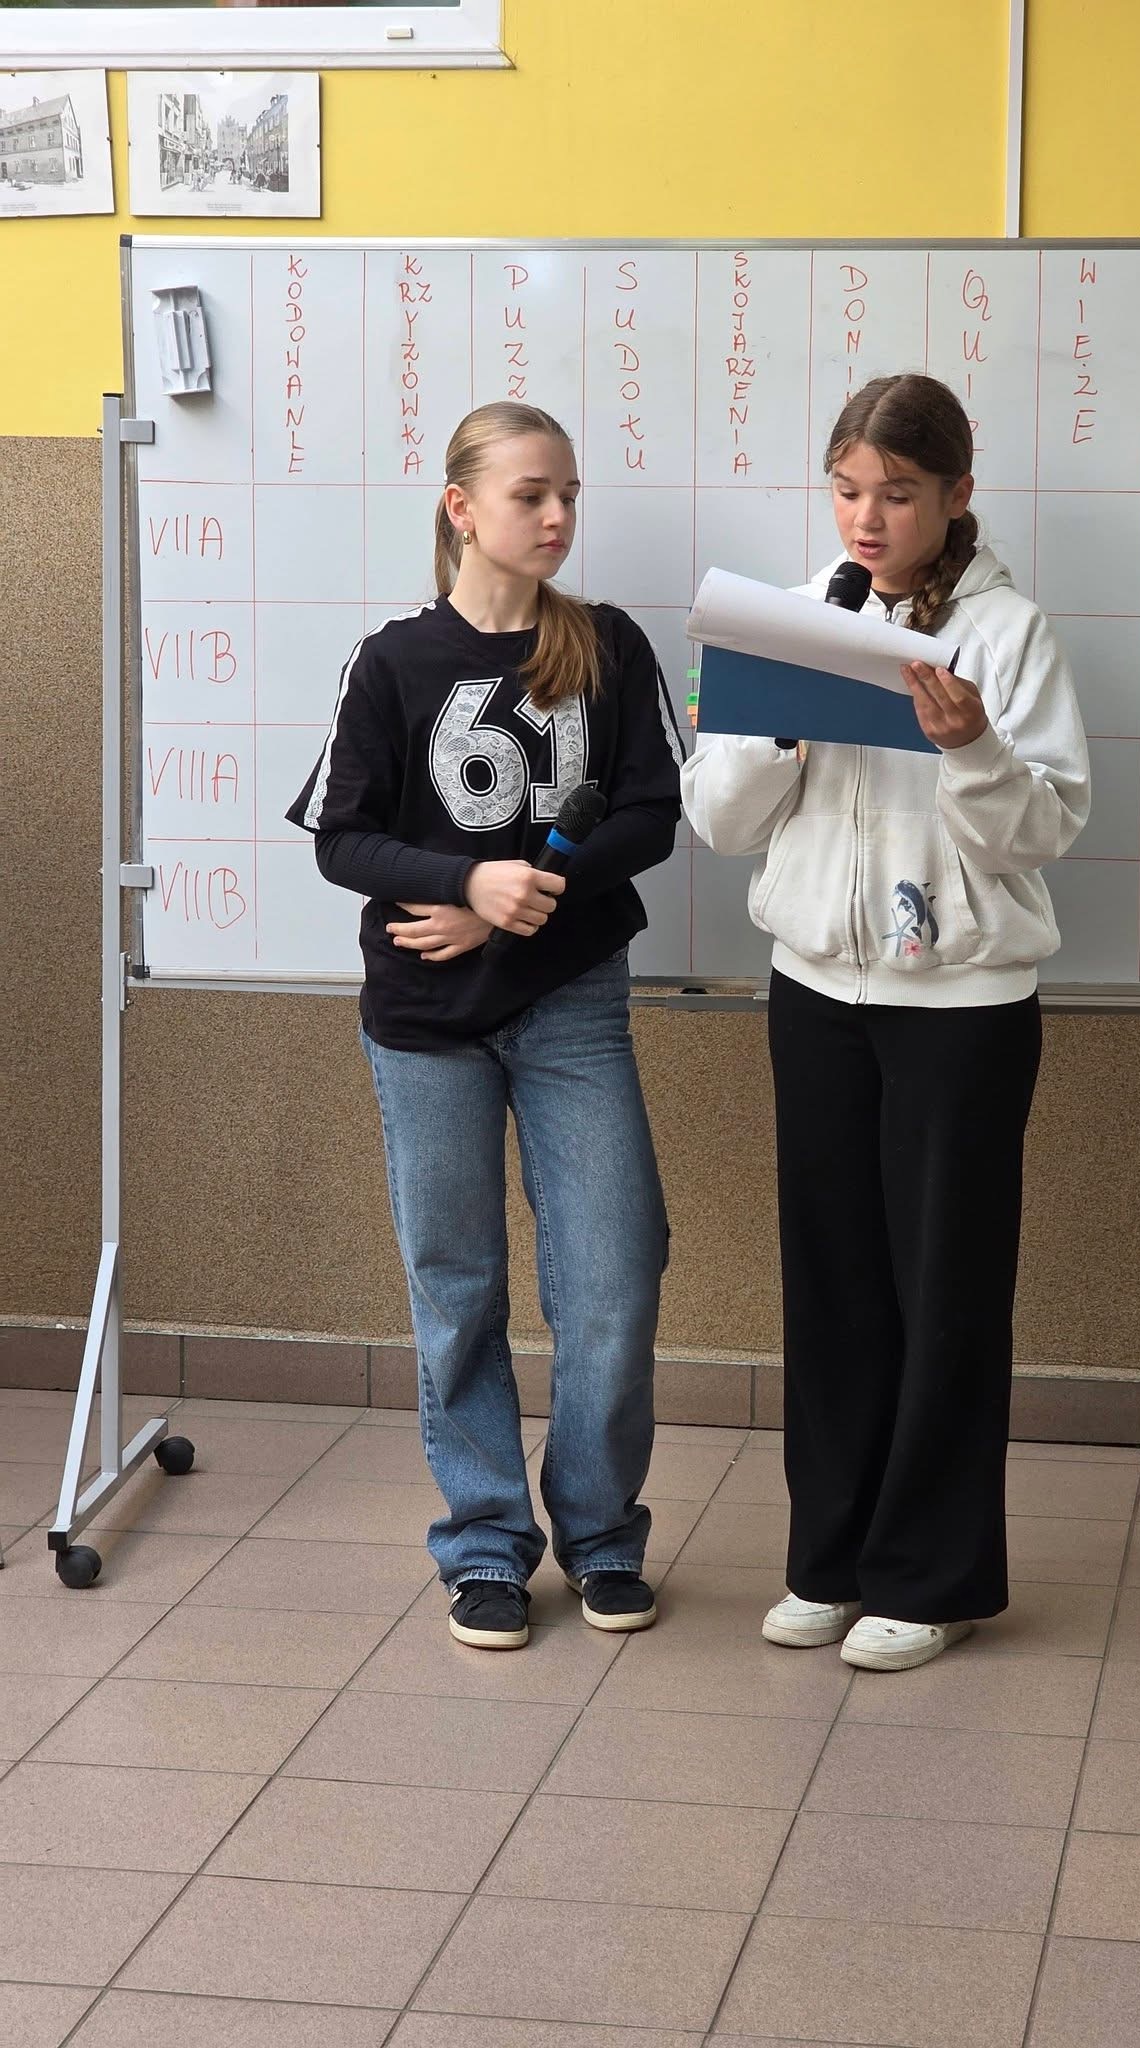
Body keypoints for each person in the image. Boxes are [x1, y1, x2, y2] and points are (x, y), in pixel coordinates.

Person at [682, 373, 1090, 1673]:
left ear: (957, 494)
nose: (868, 518)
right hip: (815, 994)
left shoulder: (1008, 633)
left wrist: (972, 748)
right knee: (834, 1286)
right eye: (849, 490)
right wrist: (771, 732)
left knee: (945, 1293)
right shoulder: (795, 616)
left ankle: (931, 1576)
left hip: (960, 1007)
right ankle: (831, 1561)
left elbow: (1046, 829)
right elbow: (719, 822)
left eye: (899, 494)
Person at [288, 400, 682, 1651]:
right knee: (457, 1289)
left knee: (614, 1275)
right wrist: (465, 881)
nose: (558, 516)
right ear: (462, 507)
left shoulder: (606, 645)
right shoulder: (391, 661)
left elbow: (651, 813)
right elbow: (342, 837)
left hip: (573, 1005)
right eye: (531, 494)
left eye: (569, 494)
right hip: (426, 1022)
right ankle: (487, 1546)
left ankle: (603, 1536)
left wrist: (522, 896)